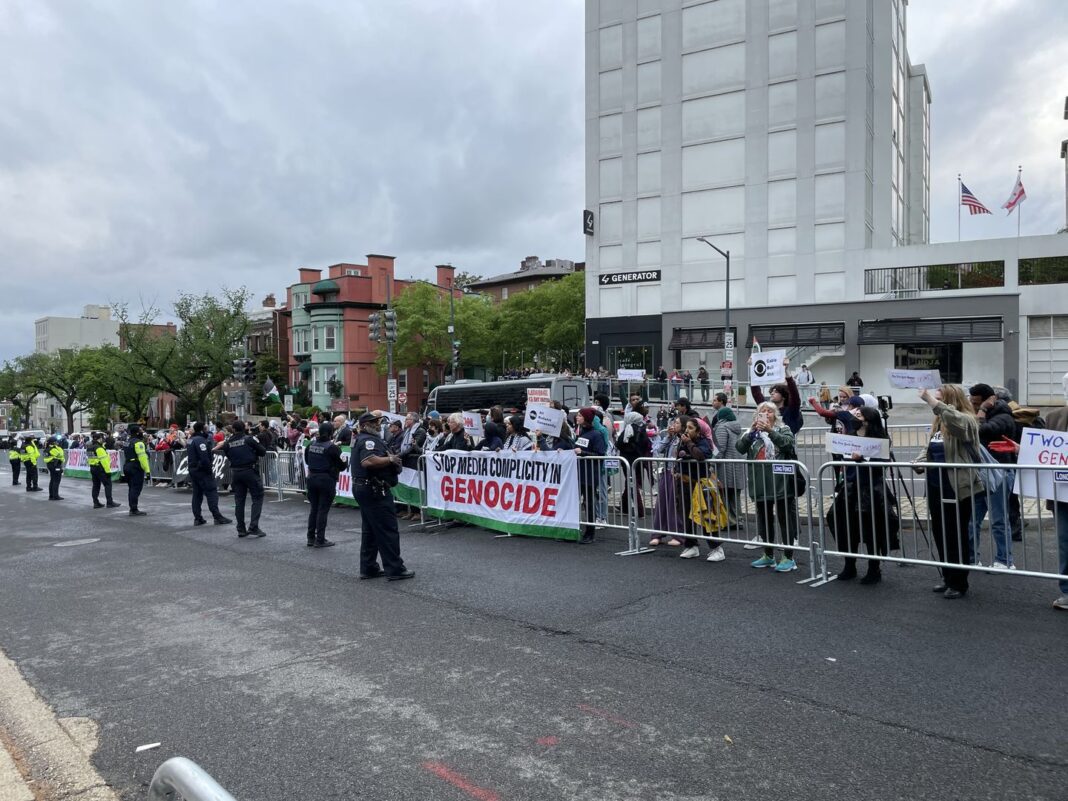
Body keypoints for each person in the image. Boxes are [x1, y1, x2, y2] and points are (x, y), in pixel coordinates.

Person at [913, 385, 981, 600]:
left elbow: (956, 422)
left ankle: (959, 582)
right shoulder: (939, 422)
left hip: (957, 487)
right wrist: (920, 461)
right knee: (940, 532)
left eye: (940, 398)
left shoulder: (967, 419)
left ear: (951, 400)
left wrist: (932, 402)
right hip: (936, 485)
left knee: (956, 534)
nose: (935, 401)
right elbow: (930, 448)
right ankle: (947, 575)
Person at [826, 407, 897, 584]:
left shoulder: (880, 439)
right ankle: (849, 564)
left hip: (871, 490)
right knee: (843, 525)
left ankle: (874, 568)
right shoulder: (850, 436)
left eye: (859, 415)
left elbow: (882, 464)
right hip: (850, 488)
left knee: (871, 529)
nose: (854, 418)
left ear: (868, 420)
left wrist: (863, 459)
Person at [736, 402, 800, 572]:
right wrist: (751, 432)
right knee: (764, 519)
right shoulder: (752, 433)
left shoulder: (783, 429)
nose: (766, 414)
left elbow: (787, 444)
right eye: (762, 412)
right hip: (760, 484)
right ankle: (768, 555)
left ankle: (788, 557)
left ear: (775, 415)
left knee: (784, 518)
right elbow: (740, 448)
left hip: (781, 483)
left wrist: (770, 431)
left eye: (769, 411)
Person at [352, 412, 414, 580]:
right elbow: (368, 461)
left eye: (378, 422)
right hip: (374, 490)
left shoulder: (366, 438)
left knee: (370, 530)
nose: (378, 425)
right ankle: (395, 569)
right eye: (374, 422)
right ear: (365, 425)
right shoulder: (368, 440)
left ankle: (369, 567)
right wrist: (390, 459)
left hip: (367, 488)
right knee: (387, 529)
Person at [967, 383, 1016, 569]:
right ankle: (972, 558)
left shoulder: (1004, 416)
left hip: (1001, 472)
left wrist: (982, 410)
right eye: (971, 402)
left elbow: (980, 431)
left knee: (998, 519)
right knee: (972, 519)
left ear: (990, 400)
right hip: (981, 473)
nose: (973, 406)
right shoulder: (981, 412)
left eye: (977, 402)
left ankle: (1005, 560)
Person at [675, 416, 721, 561]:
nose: (687, 430)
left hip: (700, 484)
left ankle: (716, 548)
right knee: (687, 515)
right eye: (686, 427)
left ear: (698, 430)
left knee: (706, 515)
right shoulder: (682, 441)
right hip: (686, 484)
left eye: (690, 428)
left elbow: (700, 455)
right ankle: (691, 545)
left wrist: (689, 444)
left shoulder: (704, 442)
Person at [216, 420, 267, 538]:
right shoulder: (249, 439)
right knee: (257, 497)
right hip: (250, 471)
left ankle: (241, 529)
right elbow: (263, 451)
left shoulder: (228, 443)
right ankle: (253, 526)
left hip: (236, 472)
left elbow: (228, 454)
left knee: (239, 501)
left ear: (233, 429)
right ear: (244, 428)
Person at [1045, 375, 1068, 610]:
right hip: (1062, 493)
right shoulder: (1053, 417)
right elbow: (1043, 450)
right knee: (1065, 542)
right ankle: (1067, 591)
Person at [303, 421, 345, 548]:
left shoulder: (311, 444)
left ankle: (311, 537)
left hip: (312, 478)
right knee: (322, 510)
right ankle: (320, 539)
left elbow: (307, 460)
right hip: (326, 479)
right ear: (331, 433)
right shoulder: (332, 447)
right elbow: (341, 466)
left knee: (314, 509)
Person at [187, 421, 231, 527]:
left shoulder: (191, 440)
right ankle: (217, 517)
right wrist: (208, 470)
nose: (208, 430)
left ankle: (198, 518)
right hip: (202, 471)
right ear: (202, 430)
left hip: (193, 470)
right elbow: (204, 459)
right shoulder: (200, 441)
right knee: (212, 493)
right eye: (206, 428)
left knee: (197, 495)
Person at [574, 408, 607, 544]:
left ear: (586, 418)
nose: (577, 417)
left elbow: (600, 455)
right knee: (579, 502)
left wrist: (583, 453)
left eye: (580, 415)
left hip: (589, 474)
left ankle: (590, 532)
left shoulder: (596, 434)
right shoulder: (581, 432)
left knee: (588, 503)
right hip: (579, 473)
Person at [711, 402, 744, 529]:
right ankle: (737, 520)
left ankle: (727, 521)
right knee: (735, 496)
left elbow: (720, 449)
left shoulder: (722, 427)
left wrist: (712, 463)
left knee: (724, 495)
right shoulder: (736, 427)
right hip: (737, 465)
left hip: (725, 467)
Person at [615, 410, 649, 518]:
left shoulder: (629, 429)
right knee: (630, 483)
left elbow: (619, 443)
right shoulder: (642, 429)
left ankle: (640, 511)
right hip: (638, 459)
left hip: (628, 460)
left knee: (632, 484)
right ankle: (624, 507)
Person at [121, 425, 151, 516]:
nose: (142, 432)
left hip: (127, 465)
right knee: (136, 488)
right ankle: (134, 509)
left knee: (131, 488)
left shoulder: (127, 442)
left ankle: (132, 508)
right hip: (135, 467)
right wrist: (148, 471)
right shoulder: (139, 443)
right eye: (141, 430)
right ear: (137, 432)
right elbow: (143, 458)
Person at [88, 432, 120, 509]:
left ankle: (95, 502)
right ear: (99, 439)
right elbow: (104, 461)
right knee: (108, 484)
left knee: (96, 486)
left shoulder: (89, 447)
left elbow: (90, 459)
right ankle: (109, 502)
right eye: (102, 438)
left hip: (93, 468)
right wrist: (108, 471)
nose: (103, 440)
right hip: (101, 469)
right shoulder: (99, 448)